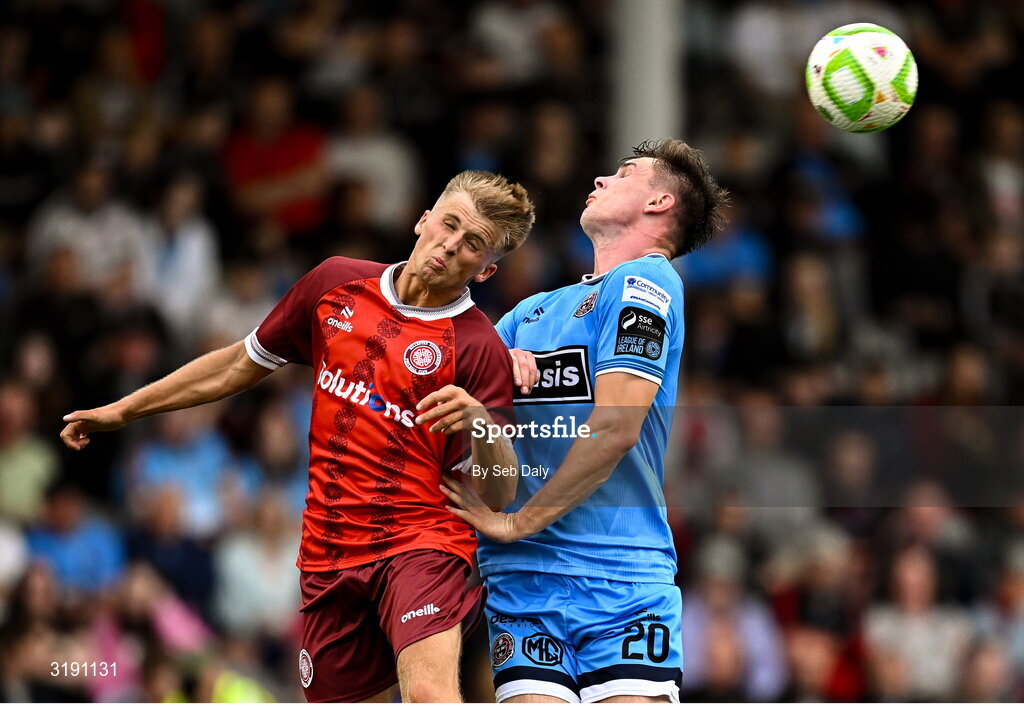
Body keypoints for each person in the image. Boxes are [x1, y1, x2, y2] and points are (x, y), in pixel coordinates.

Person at [60, 170, 535, 703]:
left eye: (472, 244)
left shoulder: (478, 347)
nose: (451, 245)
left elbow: (499, 492)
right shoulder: (336, 283)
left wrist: (480, 424)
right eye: (449, 224)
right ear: (424, 218)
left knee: (428, 694)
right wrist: (125, 410)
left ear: (487, 268)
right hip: (327, 550)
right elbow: (237, 365)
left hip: (420, 543)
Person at [442, 139, 728, 703]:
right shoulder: (531, 311)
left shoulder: (647, 283)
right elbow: (447, 396)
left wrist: (524, 521)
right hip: (523, 582)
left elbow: (617, 427)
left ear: (659, 203)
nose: (600, 179)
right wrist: (492, 372)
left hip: (619, 575)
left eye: (623, 173)